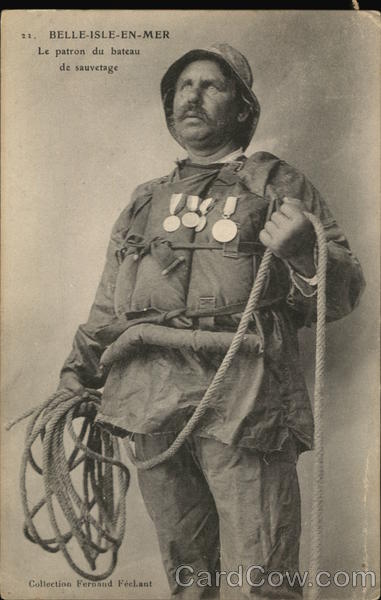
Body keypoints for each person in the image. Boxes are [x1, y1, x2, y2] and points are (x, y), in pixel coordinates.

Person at [58, 44, 365, 599]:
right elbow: (110, 305)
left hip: (244, 395)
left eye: (210, 85)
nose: (192, 96)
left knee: (261, 578)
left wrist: (303, 252)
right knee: (189, 576)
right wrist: (76, 375)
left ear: (244, 110)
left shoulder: (278, 185)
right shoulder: (144, 201)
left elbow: (342, 294)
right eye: (182, 87)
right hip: (150, 395)